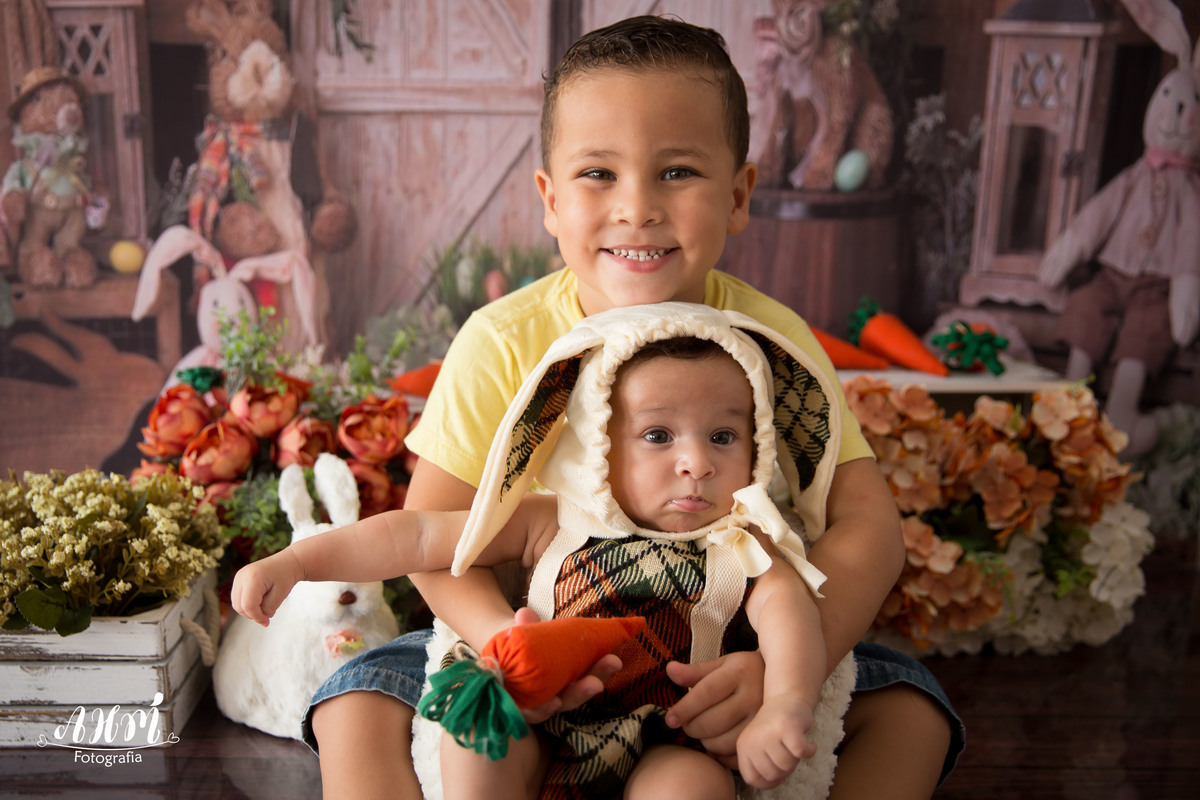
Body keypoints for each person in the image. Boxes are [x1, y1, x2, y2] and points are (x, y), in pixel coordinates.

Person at [304, 14, 964, 800]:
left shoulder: (771, 341)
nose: (637, 207)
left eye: (677, 171)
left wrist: (785, 667)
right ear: (550, 200)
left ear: (739, 195)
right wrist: (508, 644)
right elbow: (434, 537)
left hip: (719, 643)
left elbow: (869, 528)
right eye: (598, 174)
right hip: (533, 630)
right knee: (357, 696)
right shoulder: (504, 341)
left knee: (913, 708)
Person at [234, 320, 837, 799]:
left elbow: (792, 620)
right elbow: (416, 536)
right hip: (541, 718)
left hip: (669, 736)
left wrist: (786, 705)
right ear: (597, 444)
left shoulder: (743, 544)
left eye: (723, 437)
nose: (697, 464)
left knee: (692, 788)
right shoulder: (556, 519)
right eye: (659, 436)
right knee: (477, 732)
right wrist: (297, 562)